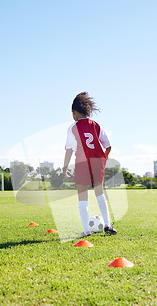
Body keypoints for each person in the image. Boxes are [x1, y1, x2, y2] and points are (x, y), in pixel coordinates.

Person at [63, 92, 118, 236]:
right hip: (97, 160)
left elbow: (69, 149)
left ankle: (87, 231)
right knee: (99, 193)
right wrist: (103, 159)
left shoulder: (72, 127)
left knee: (82, 196)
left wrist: (65, 167)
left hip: (81, 162)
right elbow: (108, 145)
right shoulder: (96, 125)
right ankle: (107, 224)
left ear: (74, 112)